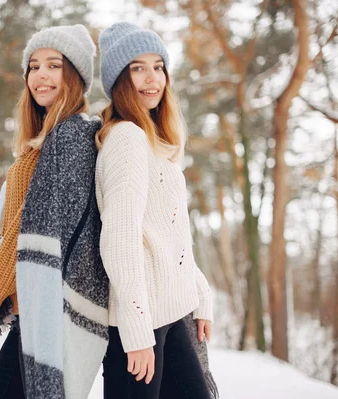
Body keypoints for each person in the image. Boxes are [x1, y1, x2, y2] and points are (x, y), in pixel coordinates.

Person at [0, 24, 110, 399]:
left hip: (50, 312)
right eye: (34, 66)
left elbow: (32, 231)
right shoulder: (42, 145)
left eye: (54, 65)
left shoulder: (72, 136)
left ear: (76, 76)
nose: (41, 75)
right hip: (31, 312)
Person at [95, 21, 218, 398]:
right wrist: (136, 331)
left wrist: (200, 292)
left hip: (169, 315)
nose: (152, 78)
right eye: (137, 68)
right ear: (119, 79)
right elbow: (120, 237)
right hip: (141, 323)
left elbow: (169, 231)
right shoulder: (127, 138)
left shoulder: (154, 142)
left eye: (158, 66)